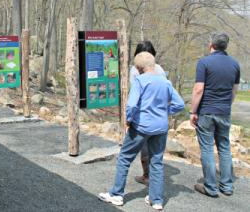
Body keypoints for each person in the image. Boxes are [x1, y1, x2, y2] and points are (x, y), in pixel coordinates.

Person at [99, 52, 185, 210]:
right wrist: (165, 111)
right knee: (157, 162)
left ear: (139, 68)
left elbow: (131, 105)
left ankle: (117, 194)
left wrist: (128, 120)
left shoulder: (139, 80)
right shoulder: (165, 82)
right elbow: (180, 104)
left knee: (124, 158)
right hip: (160, 128)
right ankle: (156, 200)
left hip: (141, 126)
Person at [190, 33, 240, 197]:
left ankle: (210, 187)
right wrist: (226, 106)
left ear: (211, 44)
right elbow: (234, 91)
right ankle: (227, 186)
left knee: (207, 149)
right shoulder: (235, 64)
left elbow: (199, 89)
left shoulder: (204, 62)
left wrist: (193, 111)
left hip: (207, 111)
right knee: (224, 148)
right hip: (224, 112)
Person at [130, 41, 166, 185]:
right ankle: (155, 181)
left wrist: (129, 118)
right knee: (156, 151)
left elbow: (134, 97)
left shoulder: (135, 70)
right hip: (159, 115)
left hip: (143, 116)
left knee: (141, 148)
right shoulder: (160, 69)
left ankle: (147, 175)